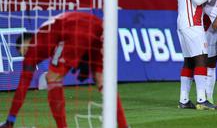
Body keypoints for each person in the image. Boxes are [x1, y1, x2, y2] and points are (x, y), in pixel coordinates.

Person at [0, 12, 128, 127]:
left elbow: (22, 88)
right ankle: (124, 125)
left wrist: (11, 119)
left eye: (23, 50)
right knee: (100, 79)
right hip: (96, 27)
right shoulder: (47, 36)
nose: (24, 54)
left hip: (77, 30)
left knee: (52, 78)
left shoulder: (35, 47)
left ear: (28, 41)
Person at [176, 0, 216, 110]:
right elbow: (198, 0)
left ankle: (184, 100)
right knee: (201, 59)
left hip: (184, 23)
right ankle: (201, 98)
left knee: (189, 61)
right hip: (192, 24)